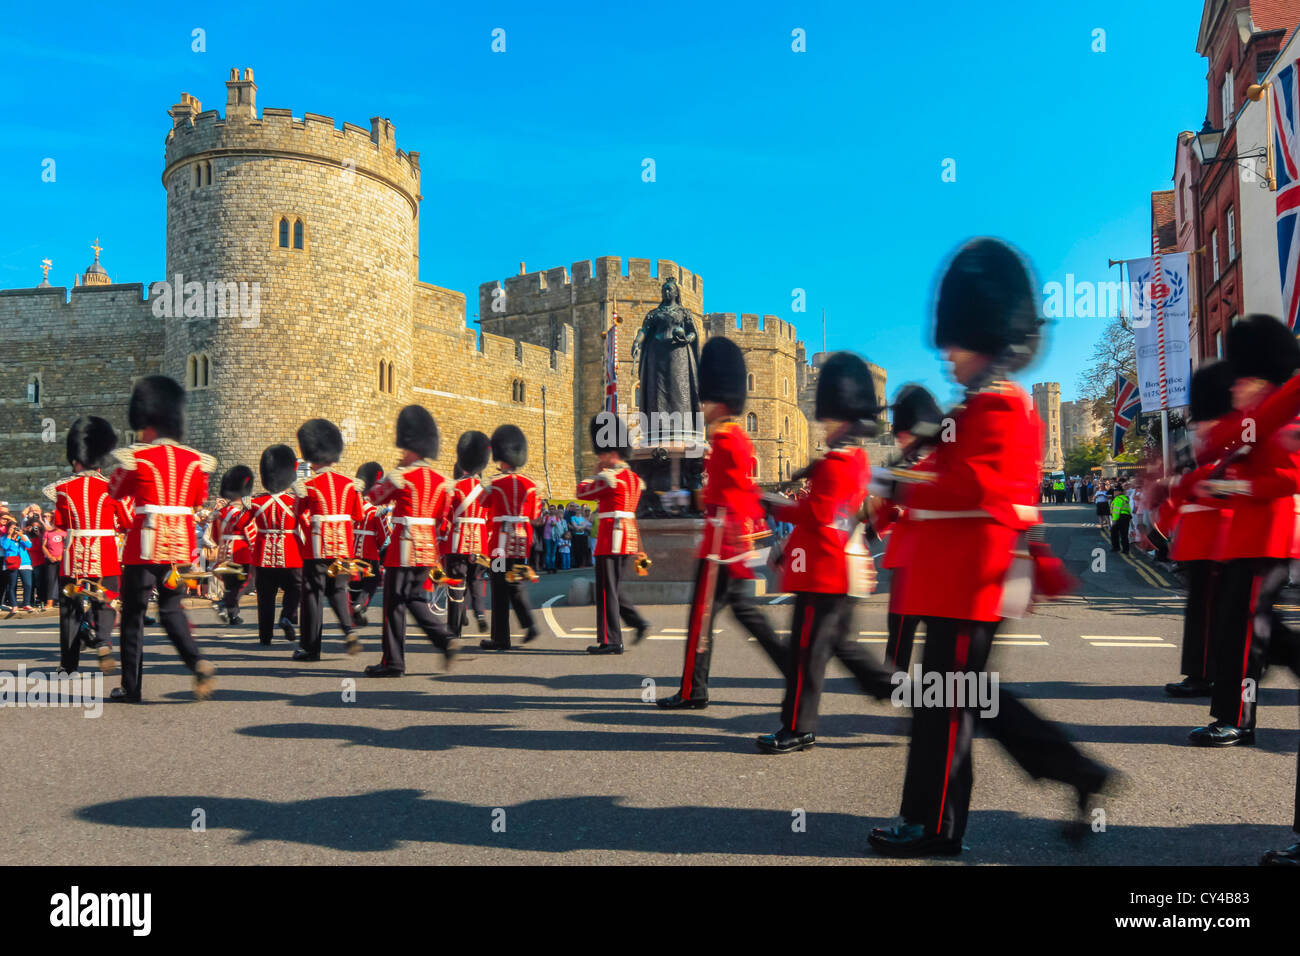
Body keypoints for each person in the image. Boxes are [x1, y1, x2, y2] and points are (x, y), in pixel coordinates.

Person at [867, 238, 1110, 857]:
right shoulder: (975, 406)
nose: (946, 354)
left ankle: (933, 825)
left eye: (955, 341)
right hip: (955, 578)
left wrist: (898, 480)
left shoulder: (1000, 406)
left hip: (967, 581)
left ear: (984, 336)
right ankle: (1077, 771)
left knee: (945, 706)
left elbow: (978, 487)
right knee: (967, 700)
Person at [756, 351, 895, 753]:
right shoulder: (852, 460)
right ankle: (904, 694)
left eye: (829, 416)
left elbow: (818, 516)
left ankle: (797, 726)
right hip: (838, 566)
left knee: (806, 653)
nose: (824, 423)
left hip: (826, 570)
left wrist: (774, 505)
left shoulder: (838, 464)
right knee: (839, 648)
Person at [656, 336, 786, 710]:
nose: (702, 405)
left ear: (720, 401)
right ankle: (791, 668)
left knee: (701, 616)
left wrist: (684, 498)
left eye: (706, 400)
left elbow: (725, 494)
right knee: (744, 615)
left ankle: (692, 690)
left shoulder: (727, 440)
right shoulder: (733, 438)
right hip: (731, 541)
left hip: (720, 545)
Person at [1191, 315, 1300, 747]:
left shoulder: (1279, 423)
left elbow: (1291, 479)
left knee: (1243, 634)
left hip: (1268, 541)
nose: (1232, 386)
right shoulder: (1251, 420)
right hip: (1245, 540)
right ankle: (1235, 714)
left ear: (1257, 379)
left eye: (1240, 379)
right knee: (1258, 631)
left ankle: (1236, 718)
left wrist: (1238, 485)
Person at [107, 375, 217, 703]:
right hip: (179, 546)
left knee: (133, 616)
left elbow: (114, 491)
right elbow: (199, 500)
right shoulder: (196, 462)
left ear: (148, 423)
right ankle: (196, 661)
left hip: (143, 545)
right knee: (171, 609)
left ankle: (131, 687)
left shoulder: (135, 458)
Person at [363, 405, 456, 677]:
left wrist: (395, 471)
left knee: (394, 604)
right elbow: (442, 517)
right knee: (414, 596)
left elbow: (375, 498)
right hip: (428, 547)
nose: (402, 453)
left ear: (412, 447)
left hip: (403, 547)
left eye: (405, 449)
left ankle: (394, 661)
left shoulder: (402, 476)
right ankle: (442, 638)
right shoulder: (442, 481)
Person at [1164, 361, 1236, 699]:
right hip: (1196, 533)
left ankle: (1208, 674)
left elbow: (1220, 482)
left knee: (1212, 611)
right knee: (1201, 610)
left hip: (1218, 532)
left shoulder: (1231, 433)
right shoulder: (1193, 435)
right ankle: (1200, 673)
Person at [45, 416, 127, 674]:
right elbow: (125, 522)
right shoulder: (113, 487)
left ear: (75, 458)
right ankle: (102, 640)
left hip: (74, 555)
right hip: (106, 552)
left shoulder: (63, 489)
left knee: (70, 610)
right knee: (107, 599)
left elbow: (60, 522)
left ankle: (68, 665)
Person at [870, 383, 942, 671]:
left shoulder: (939, 463)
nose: (901, 440)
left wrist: (905, 510)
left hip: (932, 557)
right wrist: (875, 523)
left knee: (935, 632)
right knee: (899, 625)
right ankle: (894, 674)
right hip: (904, 557)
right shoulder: (904, 464)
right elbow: (885, 508)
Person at [575, 412, 651, 654]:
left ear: (611, 452)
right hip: (626, 538)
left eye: (602, 452)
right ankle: (637, 622)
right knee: (614, 587)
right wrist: (639, 547)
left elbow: (581, 492)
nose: (600, 457)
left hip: (610, 538)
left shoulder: (610, 477)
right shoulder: (634, 479)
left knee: (606, 590)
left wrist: (595, 471)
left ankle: (611, 640)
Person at [293, 418, 364, 661]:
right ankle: (349, 630)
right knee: (339, 590)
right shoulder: (349, 485)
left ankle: (311, 648)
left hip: (317, 547)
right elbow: (358, 515)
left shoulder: (308, 485)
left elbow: (297, 515)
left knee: (312, 595)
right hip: (343, 547)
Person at [480, 424, 542, 650]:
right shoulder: (530, 484)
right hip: (521, 541)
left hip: (499, 544)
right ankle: (528, 623)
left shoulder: (494, 483)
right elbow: (535, 515)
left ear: (502, 458)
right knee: (515, 583)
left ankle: (501, 637)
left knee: (498, 587)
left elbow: (482, 504)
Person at [249, 444, 303, 646]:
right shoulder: (295, 501)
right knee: (296, 589)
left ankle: (265, 636)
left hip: (263, 556)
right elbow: (306, 525)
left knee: (265, 598)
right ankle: (287, 616)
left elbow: (240, 524)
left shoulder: (255, 503)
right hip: (291, 554)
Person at [445, 431, 491, 640]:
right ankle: (480, 613)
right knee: (475, 579)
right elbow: (490, 519)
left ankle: (454, 631)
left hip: (458, 541)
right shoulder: (486, 490)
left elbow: (444, 516)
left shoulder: (454, 487)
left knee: (456, 582)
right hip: (480, 543)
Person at [212, 466, 256, 625]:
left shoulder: (221, 512)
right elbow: (251, 534)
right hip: (240, 552)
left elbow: (215, 536)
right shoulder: (244, 512)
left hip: (224, 551)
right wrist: (254, 549)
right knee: (247, 582)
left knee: (231, 585)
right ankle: (224, 603)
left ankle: (233, 615)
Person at [350, 462, 388, 627]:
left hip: (352, 550)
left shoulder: (351, 507)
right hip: (369, 551)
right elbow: (384, 534)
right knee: (372, 581)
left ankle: (354, 608)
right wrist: (379, 547)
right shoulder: (375, 511)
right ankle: (360, 605)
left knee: (355, 581)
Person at [40, 512, 65, 611]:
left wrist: (61, 556)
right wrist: (50, 556)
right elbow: (43, 546)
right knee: (50, 581)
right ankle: (49, 602)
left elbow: (69, 546)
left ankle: (62, 601)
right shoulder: (48, 532)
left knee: (62, 581)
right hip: (50, 560)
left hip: (63, 560)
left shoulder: (65, 533)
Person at [1109, 485, 1131, 553]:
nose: (1114, 493)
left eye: (1115, 491)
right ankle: (1125, 549)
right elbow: (1129, 508)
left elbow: (1116, 511)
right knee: (1124, 534)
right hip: (1126, 516)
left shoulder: (1118, 498)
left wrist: (1114, 521)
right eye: (1114, 491)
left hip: (1120, 517)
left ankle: (1116, 547)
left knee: (1114, 532)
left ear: (1119, 492)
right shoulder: (1125, 498)